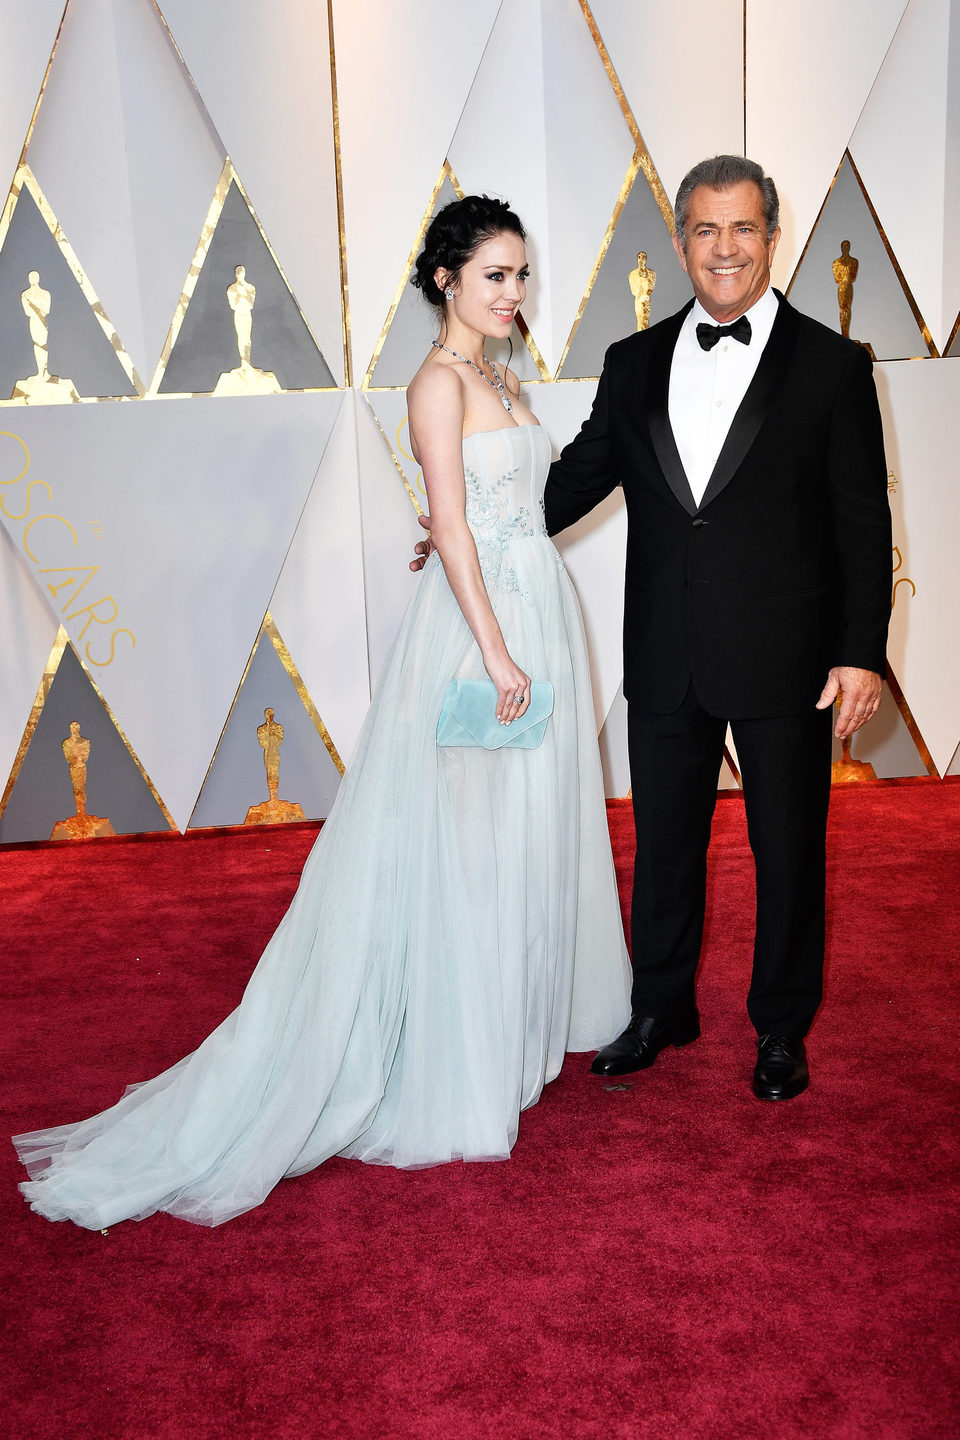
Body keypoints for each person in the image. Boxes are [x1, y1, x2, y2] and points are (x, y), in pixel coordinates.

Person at [13, 196, 630, 1230]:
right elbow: (451, 516)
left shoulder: (496, 373)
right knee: (465, 844)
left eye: (521, 275)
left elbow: (497, 509)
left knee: (522, 835)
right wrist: (493, 648)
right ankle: (452, 1058)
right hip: (488, 633)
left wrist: (486, 574)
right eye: (495, 277)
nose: (514, 294)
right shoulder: (437, 382)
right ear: (448, 281)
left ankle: (509, 1031)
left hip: (530, 606)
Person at [414, 157, 891, 1101]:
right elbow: (570, 482)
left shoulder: (834, 365)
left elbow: (861, 519)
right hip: (665, 654)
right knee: (665, 847)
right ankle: (661, 1008)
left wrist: (861, 649)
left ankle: (782, 1028)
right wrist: (458, 522)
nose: (724, 249)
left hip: (787, 656)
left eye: (744, 229)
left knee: (789, 852)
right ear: (679, 244)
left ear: (770, 237)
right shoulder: (634, 363)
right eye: (706, 231)